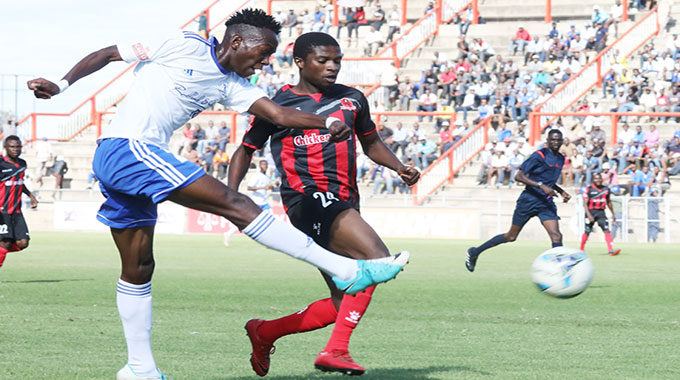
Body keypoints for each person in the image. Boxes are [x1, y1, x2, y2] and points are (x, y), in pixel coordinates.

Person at [27, 10, 408, 380]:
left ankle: (138, 368)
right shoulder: (181, 44)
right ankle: (345, 269)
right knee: (235, 203)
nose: (264, 63)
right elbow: (108, 53)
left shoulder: (231, 85)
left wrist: (326, 121)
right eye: (262, 54)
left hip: (129, 164)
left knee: (139, 269)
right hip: (129, 149)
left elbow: (277, 115)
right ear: (238, 41)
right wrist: (61, 85)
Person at [228, 32, 420, 377]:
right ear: (299, 62)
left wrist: (399, 167)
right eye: (323, 60)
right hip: (307, 199)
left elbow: (371, 142)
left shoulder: (352, 99)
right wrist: (231, 194)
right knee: (377, 260)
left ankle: (265, 331)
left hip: (345, 201)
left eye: (337, 60)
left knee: (342, 301)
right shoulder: (278, 105)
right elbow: (246, 149)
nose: (332, 67)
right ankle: (336, 350)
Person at [466, 129, 572, 272]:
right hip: (529, 200)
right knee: (511, 236)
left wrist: (561, 191)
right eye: (552, 139)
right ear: (547, 140)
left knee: (556, 235)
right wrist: (541, 186)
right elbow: (519, 176)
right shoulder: (538, 155)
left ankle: (560, 269)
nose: (555, 142)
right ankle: (475, 252)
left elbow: (547, 180)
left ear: (562, 141)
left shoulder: (560, 158)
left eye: (558, 140)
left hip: (545, 202)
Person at [0, 136, 39, 271]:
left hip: (16, 211)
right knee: (5, 242)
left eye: (18, 147)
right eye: (12, 146)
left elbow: (19, 183)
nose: (16, 149)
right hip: (2, 211)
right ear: (5, 148)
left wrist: (30, 195)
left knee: (23, 243)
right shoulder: (1, 164)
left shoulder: (22, 164)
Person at [579, 173, 621, 256]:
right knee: (587, 231)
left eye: (599, 178)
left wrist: (613, 214)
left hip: (601, 212)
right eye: (596, 179)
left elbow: (609, 202)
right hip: (590, 212)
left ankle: (610, 249)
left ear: (602, 179)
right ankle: (581, 249)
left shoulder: (606, 189)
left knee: (606, 230)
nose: (598, 180)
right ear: (593, 180)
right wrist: (589, 215)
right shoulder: (589, 189)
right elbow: (585, 204)